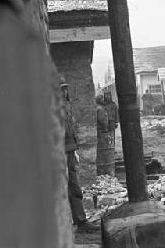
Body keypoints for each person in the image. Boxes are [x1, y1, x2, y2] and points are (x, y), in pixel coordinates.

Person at [60, 78, 99, 233]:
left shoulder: (66, 107)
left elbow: (70, 131)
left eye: (65, 89)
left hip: (69, 151)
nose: (64, 92)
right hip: (57, 154)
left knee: (74, 187)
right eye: (60, 89)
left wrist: (74, 150)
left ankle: (80, 221)